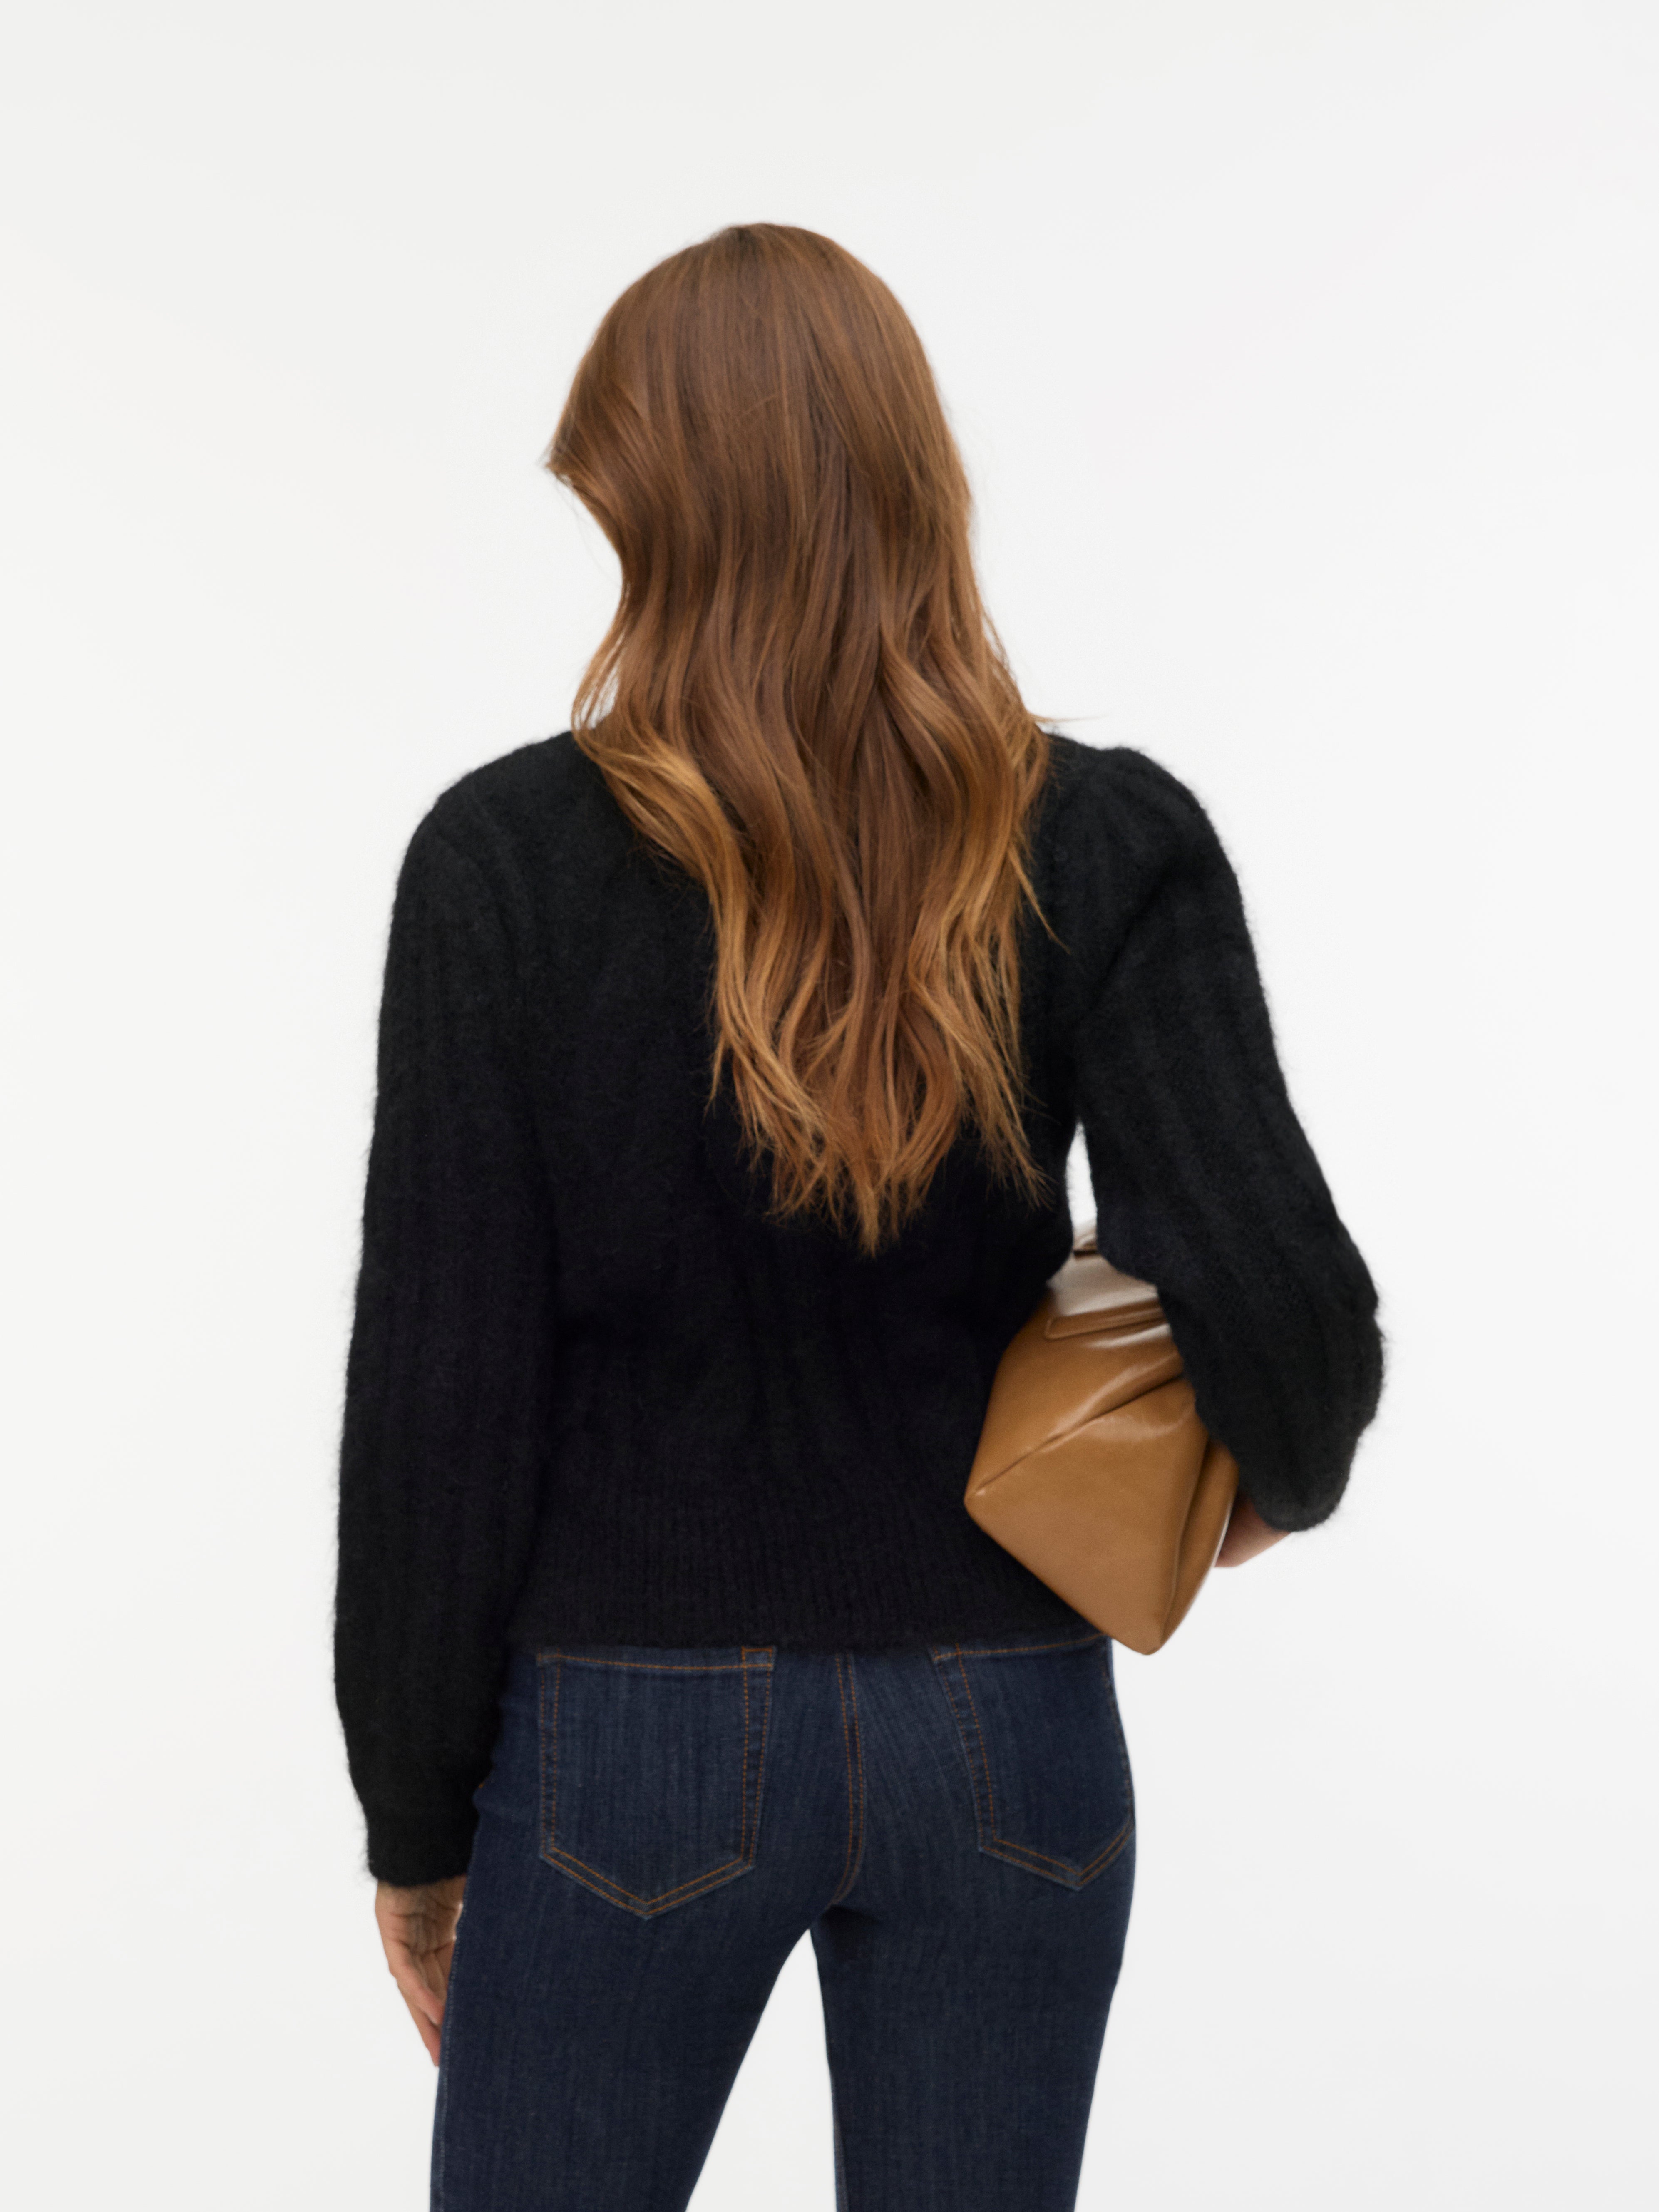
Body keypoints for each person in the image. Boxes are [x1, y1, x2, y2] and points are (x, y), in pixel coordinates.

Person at [333, 223, 1384, 2212]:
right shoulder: (1100, 837)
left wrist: (413, 1821)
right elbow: (1279, 1293)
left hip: (622, 1743)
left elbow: (438, 1409)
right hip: (1007, 1724)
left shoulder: (502, 863)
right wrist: (1272, 1486)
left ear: (652, 511)